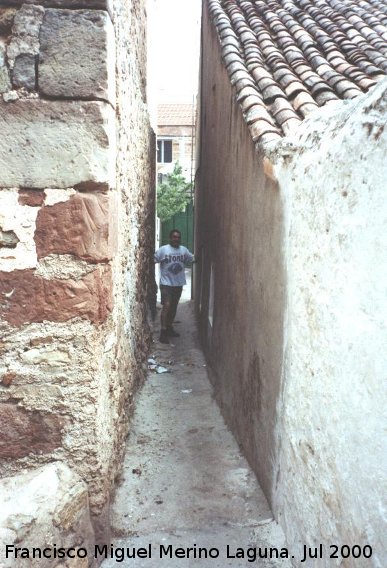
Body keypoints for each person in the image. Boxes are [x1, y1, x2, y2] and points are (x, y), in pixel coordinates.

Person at [154, 229, 194, 344]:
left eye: (178, 237)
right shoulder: (163, 250)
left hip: (178, 283)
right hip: (166, 284)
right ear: (170, 238)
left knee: (173, 307)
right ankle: (163, 331)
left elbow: (192, 259)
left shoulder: (183, 250)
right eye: (174, 237)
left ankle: (169, 327)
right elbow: (153, 260)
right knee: (166, 306)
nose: (176, 239)